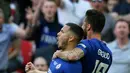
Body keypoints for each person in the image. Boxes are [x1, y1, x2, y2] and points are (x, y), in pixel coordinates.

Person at [0, 9, 36, 73]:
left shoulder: (9, 28)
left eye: (1, 17)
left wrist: (30, 22)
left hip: (2, 69)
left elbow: (26, 34)